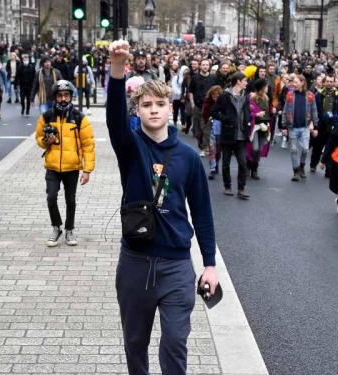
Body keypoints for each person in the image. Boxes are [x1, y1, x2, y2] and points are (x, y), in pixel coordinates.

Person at [106, 39, 218, 375]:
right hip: (135, 263)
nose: (154, 110)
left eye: (160, 104)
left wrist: (210, 265)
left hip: (176, 266)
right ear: (137, 110)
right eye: (147, 105)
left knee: (174, 342)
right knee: (135, 343)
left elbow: (202, 214)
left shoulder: (188, 158)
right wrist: (117, 68)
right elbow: (113, 119)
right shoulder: (130, 148)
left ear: (171, 108)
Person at [35, 80, 95, 247]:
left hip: (72, 167)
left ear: (71, 97)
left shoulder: (79, 118)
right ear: (55, 97)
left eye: (66, 95)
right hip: (52, 166)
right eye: (60, 95)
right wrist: (47, 141)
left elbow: (88, 145)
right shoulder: (47, 116)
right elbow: (39, 138)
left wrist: (87, 170)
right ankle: (57, 227)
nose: (63, 99)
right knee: (51, 197)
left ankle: (69, 229)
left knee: (70, 200)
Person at [212, 72, 252, 199]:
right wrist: (226, 119)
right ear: (238, 81)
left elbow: (247, 113)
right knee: (226, 164)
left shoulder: (246, 96)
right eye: (245, 80)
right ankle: (227, 186)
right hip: (228, 135)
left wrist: (248, 126)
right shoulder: (225, 96)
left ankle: (241, 189)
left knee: (242, 163)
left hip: (242, 136)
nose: (246, 83)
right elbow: (214, 111)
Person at [283, 74, 318, 181]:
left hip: (305, 127)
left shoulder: (310, 95)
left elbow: (314, 111)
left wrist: (315, 126)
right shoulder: (289, 94)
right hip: (292, 127)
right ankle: (296, 171)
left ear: (302, 82)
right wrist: (283, 126)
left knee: (305, 149)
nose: (294, 84)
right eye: (293, 82)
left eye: (296, 82)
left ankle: (302, 166)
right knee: (293, 150)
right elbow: (285, 110)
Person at [248, 78, 272, 180]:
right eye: (266, 86)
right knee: (255, 148)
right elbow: (248, 112)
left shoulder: (266, 98)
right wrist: (257, 114)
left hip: (265, 126)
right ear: (262, 87)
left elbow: (269, 111)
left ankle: (254, 169)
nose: (267, 88)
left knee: (260, 149)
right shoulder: (252, 98)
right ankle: (249, 163)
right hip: (255, 126)